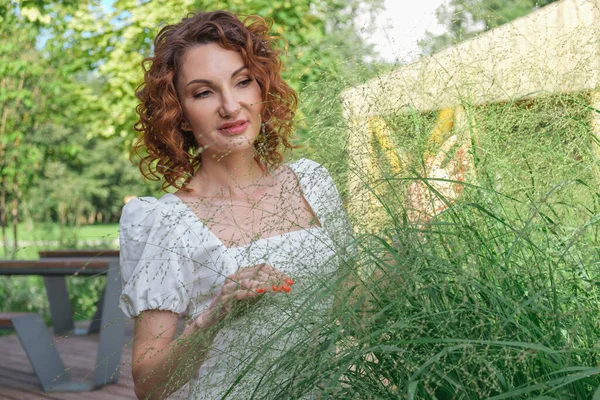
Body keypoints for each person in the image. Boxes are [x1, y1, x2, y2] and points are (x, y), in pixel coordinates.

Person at [119, 10, 354, 400]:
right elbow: (148, 385)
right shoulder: (170, 222)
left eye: (242, 82)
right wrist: (217, 313)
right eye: (204, 92)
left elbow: (358, 314)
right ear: (178, 113)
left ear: (262, 89)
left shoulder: (313, 183)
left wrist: (415, 228)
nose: (231, 106)